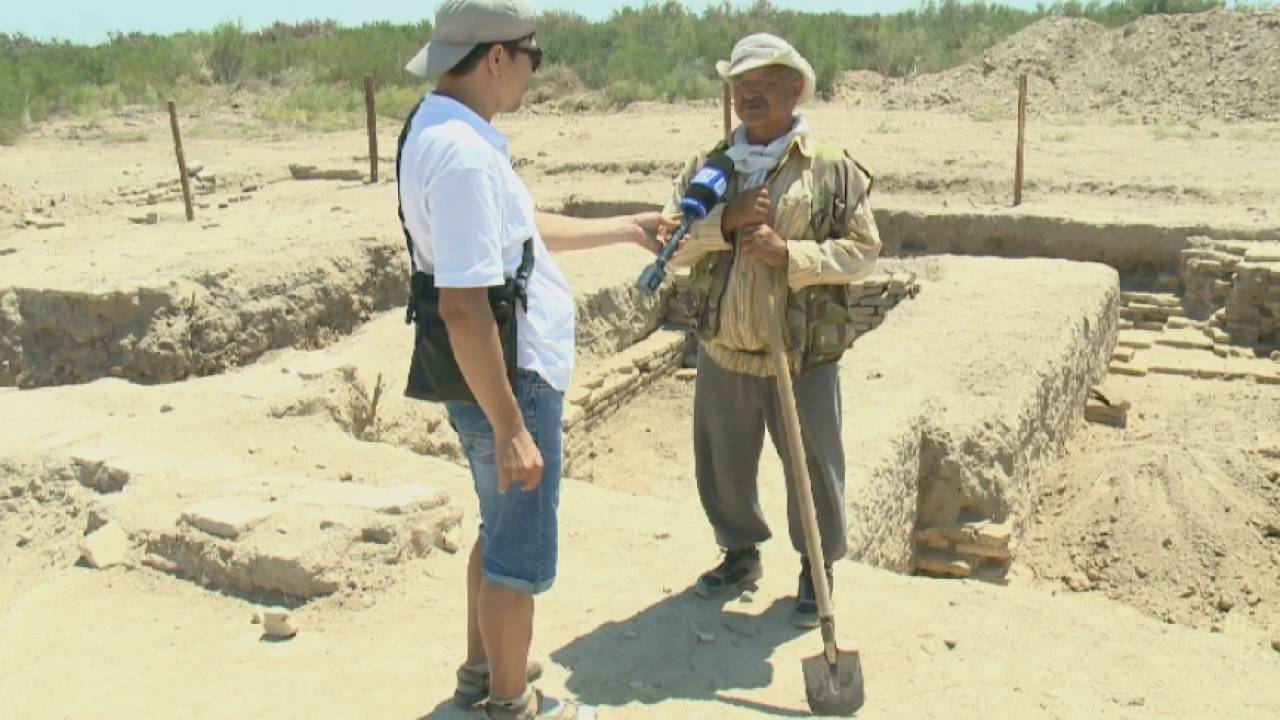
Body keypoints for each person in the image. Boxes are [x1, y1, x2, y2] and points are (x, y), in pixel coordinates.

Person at [398, 2, 668, 717]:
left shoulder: (446, 131)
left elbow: (518, 234)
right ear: (495, 57)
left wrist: (625, 227)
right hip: (509, 379)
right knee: (519, 553)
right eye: (532, 58)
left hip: (494, 377)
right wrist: (513, 424)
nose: (531, 73)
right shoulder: (461, 157)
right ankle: (512, 704)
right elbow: (463, 306)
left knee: (498, 529)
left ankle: (483, 671)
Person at [663, 33, 882, 628]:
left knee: (813, 465)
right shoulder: (708, 166)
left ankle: (817, 567)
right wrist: (726, 222)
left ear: (795, 89)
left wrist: (791, 255)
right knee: (723, 461)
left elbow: (864, 253)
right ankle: (738, 552)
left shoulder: (830, 169)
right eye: (740, 84)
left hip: (801, 351)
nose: (748, 94)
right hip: (724, 347)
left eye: (763, 83)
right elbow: (672, 248)